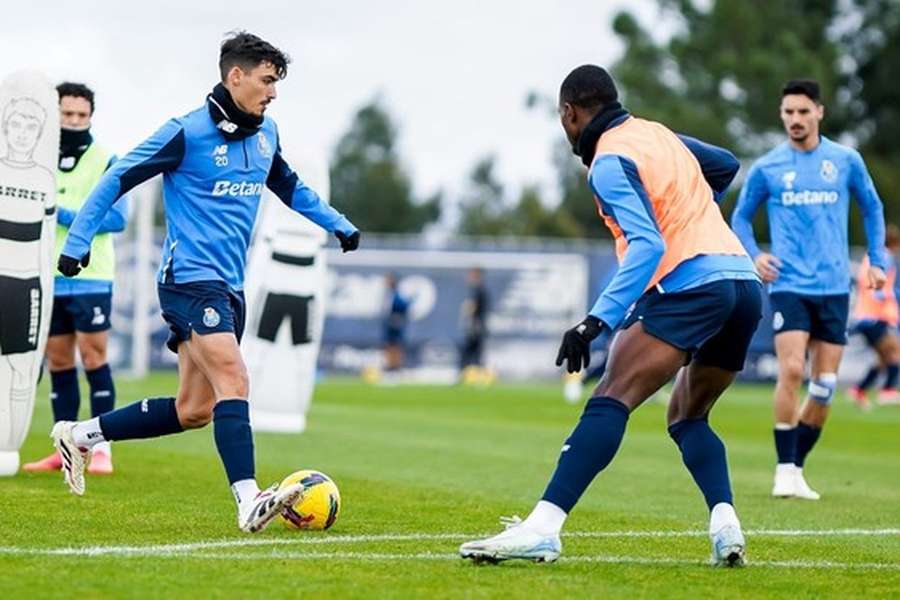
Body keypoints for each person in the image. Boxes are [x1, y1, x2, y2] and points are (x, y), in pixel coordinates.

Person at [49, 32, 360, 533]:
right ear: (235, 76)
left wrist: (338, 224)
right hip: (189, 281)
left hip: (227, 287)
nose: (273, 92)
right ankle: (248, 499)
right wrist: (78, 241)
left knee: (194, 409)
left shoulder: (266, 135)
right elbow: (118, 177)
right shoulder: (186, 132)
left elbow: (290, 188)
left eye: (276, 82)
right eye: (266, 80)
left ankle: (79, 435)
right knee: (235, 380)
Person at [460, 65, 760, 566]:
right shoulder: (657, 135)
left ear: (569, 114)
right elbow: (726, 165)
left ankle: (543, 528)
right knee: (687, 416)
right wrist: (696, 213)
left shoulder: (608, 161)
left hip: (691, 283)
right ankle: (725, 524)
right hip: (742, 282)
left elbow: (648, 243)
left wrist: (593, 322)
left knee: (610, 397)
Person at [731, 79, 887, 500]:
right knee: (794, 370)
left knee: (825, 385)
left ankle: (796, 467)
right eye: (788, 113)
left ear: (819, 112)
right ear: (782, 116)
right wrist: (754, 254)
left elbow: (873, 207)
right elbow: (740, 217)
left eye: (803, 112)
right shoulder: (768, 167)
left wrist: (879, 259)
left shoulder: (845, 160)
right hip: (789, 285)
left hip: (834, 287)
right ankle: (783, 469)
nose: (795, 120)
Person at [24, 82, 128, 475]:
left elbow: (119, 218)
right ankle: (66, 451)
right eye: (67, 115)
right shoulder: (35, 158)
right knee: (60, 362)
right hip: (47, 276)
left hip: (91, 276)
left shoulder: (105, 160)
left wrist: (63, 212)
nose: (74, 122)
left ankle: (102, 449)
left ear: (90, 117)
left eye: (81, 116)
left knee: (94, 357)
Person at [848, 225, 900, 409]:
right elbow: (879, 289)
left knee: (882, 358)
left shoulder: (869, 257)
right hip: (874, 316)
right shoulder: (884, 257)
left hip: (867, 316)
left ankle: (858, 390)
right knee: (894, 352)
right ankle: (887, 390)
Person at [458, 267, 489, 376]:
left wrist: (466, 314)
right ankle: (473, 375)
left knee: (470, 351)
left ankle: (466, 374)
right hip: (479, 326)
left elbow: (472, 307)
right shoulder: (481, 289)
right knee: (475, 352)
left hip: (475, 326)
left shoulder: (478, 290)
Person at [382, 272, 410, 371]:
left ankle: (396, 365)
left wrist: (398, 317)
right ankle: (390, 365)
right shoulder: (388, 294)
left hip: (396, 323)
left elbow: (404, 305)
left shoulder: (397, 295)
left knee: (396, 344)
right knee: (389, 344)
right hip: (389, 323)